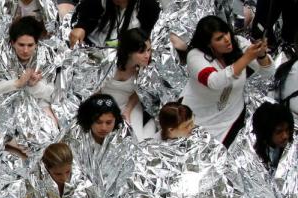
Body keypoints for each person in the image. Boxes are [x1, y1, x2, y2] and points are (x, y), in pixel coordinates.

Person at [182, 15, 274, 146]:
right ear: (208, 43)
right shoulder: (195, 56)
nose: (227, 39)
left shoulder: (239, 43)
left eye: (226, 33)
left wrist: (262, 55)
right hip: (198, 118)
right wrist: (246, 58)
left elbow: (268, 72)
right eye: (219, 38)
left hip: (232, 116)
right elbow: (214, 82)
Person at [0, 17, 54, 104]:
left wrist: (32, 86)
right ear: (12, 43)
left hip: (36, 106)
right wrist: (17, 83)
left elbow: (50, 93)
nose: (25, 50)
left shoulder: (46, 57)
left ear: (36, 44)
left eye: (30, 45)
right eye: (21, 45)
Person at [101, 29, 156, 140]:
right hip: (104, 102)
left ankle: (152, 126)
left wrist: (127, 112)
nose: (147, 55)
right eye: (142, 52)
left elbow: (138, 92)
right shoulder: (108, 61)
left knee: (134, 140)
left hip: (130, 104)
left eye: (149, 50)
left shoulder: (145, 68)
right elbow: (93, 89)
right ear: (129, 52)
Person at [68, 0, 160, 48]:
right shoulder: (97, 3)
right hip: (94, 53)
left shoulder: (148, 8)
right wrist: (81, 28)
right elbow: (84, 17)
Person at [251, 101, 294, 171]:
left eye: (287, 129)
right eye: (279, 132)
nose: (285, 136)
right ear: (266, 134)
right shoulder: (255, 155)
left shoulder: (291, 146)